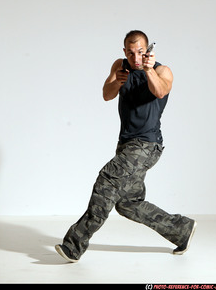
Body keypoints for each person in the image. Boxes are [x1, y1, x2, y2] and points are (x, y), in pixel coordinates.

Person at [55, 30, 196, 263]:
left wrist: (148, 70)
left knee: (108, 180)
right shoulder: (120, 66)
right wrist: (118, 80)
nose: (135, 57)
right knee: (128, 204)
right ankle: (181, 229)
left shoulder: (162, 71)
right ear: (124, 52)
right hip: (126, 145)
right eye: (130, 53)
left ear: (148, 50)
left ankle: (74, 245)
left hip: (147, 145)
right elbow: (106, 94)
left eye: (140, 52)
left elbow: (160, 90)